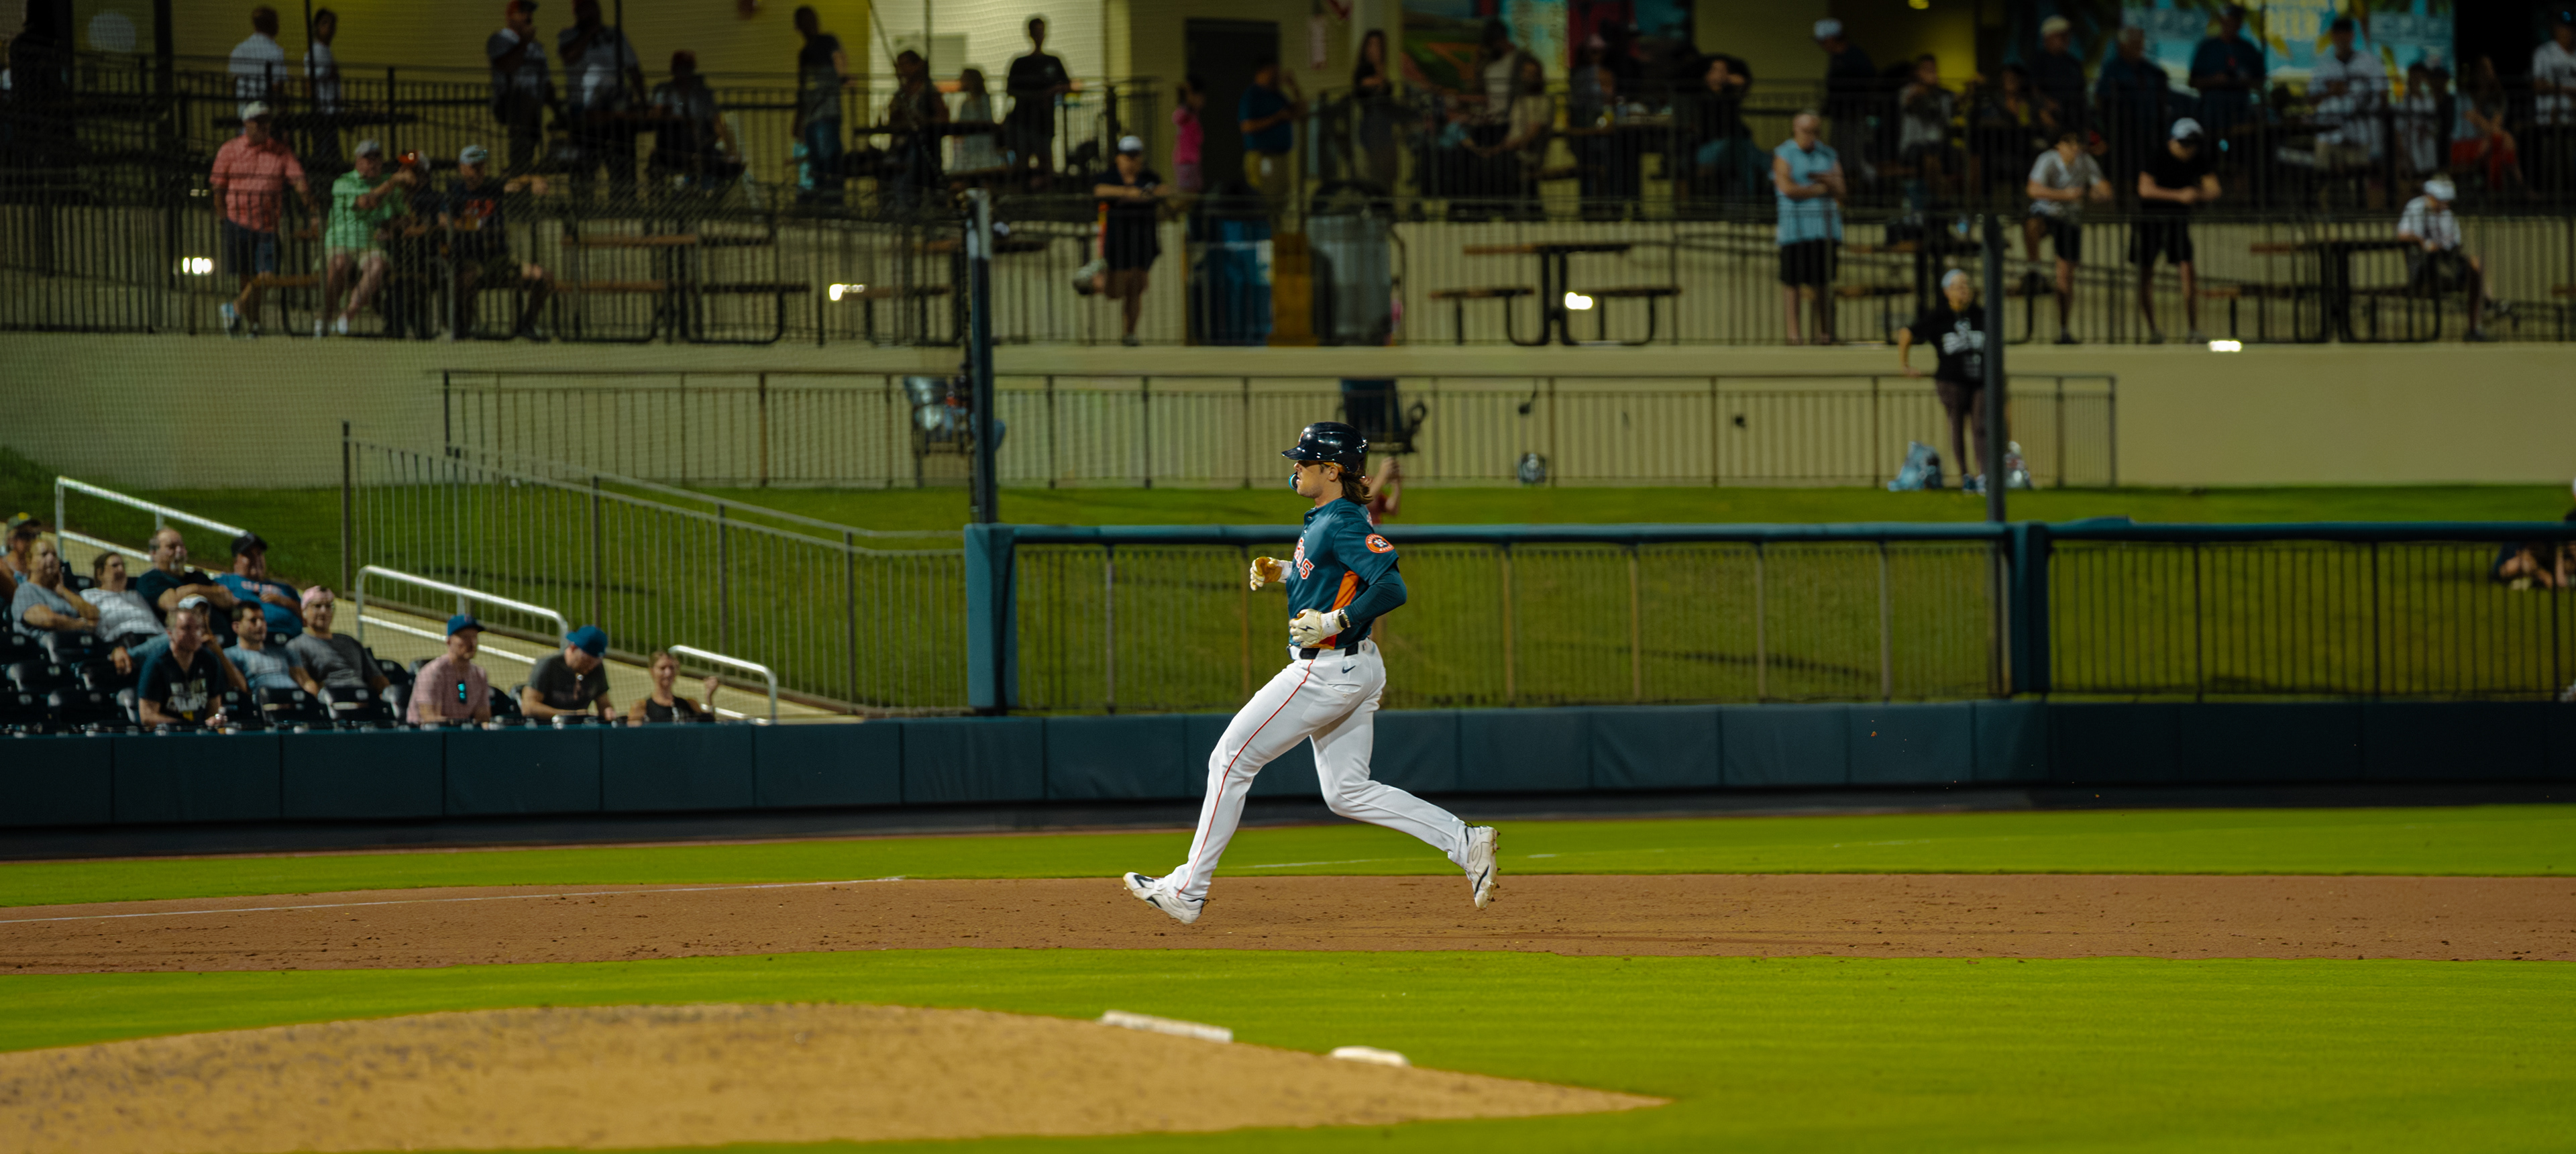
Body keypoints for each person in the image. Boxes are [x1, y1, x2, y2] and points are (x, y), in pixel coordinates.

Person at [1120, 422, 1499, 925]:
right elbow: (1331, 575)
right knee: (1346, 791)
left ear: (1333, 470)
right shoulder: (1330, 517)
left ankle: (1189, 889)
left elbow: (1392, 588)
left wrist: (1337, 620)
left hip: (1327, 669)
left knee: (1230, 760)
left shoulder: (1343, 519)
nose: (1295, 466)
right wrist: (1282, 569)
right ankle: (1464, 841)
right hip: (1354, 666)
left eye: (1305, 460)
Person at [209, 102, 311, 339]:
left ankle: (234, 308)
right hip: (237, 220)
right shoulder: (230, 150)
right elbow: (218, 187)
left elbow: (298, 178)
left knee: (266, 276)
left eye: (267, 121)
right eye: (258, 121)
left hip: (267, 224)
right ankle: (253, 325)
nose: (264, 126)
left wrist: (307, 198)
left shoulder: (280, 151)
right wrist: (223, 217)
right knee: (246, 277)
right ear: (247, 124)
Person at [1897, 270, 1996, 491]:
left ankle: (1984, 476)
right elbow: (1906, 334)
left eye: (1966, 285)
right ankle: (1965, 475)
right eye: (1958, 286)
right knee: (1957, 425)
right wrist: (1905, 365)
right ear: (1946, 291)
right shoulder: (1939, 317)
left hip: (1979, 380)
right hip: (1951, 381)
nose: (1964, 290)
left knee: (1981, 427)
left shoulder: (1981, 315)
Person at [443, 144, 554, 339]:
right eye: (473, 166)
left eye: (481, 166)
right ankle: (462, 328)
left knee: (544, 278)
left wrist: (535, 180)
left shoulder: (493, 187)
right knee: (466, 278)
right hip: (469, 259)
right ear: (462, 167)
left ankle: (527, 324)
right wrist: (468, 225)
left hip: (498, 259)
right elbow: (444, 220)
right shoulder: (454, 192)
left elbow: (517, 183)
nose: (478, 170)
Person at [1073, 136, 1167, 346]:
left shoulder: (1149, 176)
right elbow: (1099, 190)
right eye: (1128, 156)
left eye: (1136, 156)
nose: (1132, 161)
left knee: (1138, 286)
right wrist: (1129, 193)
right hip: (1118, 239)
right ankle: (1093, 284)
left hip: (1143, 239)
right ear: (1119, 158)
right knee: (1116, 290)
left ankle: (1129, 333)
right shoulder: (1110, 176)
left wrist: (1144, 193)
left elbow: (1164, 190)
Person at [317, 139, 417, 337]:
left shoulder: (389, 183)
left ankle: (348, 314)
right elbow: (366, 202)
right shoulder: (343, 182)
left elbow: (405, 218)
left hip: (371, 245)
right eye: (367, 158)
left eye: (376, 158)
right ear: (357, 161)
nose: (372, 163)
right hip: (342, 243)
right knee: (339, 264)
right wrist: (393, 183)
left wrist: (391, 225)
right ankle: (324, 319)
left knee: (377, 265)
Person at [2134, 118, 2218, 344]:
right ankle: (2152, 329)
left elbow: (2214, 189)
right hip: (2150, 220)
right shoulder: (2158, 155)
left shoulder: (2198, 158)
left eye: (2191, 145)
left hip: (2178, 222)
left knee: (2187, 269)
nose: (2187, 150)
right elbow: (2145, 189)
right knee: (2146, 271)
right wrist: (2179, 195)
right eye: (2183, 144)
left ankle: (2193, 329)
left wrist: (2196, 195)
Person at [2025, 132, 2111, 343]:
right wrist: (2066, 196)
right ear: (2059, 146)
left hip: (2070, 220)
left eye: (2077, 146)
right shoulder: (2047, 160)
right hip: (2046, 214)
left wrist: (2098, 194)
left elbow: (2105, 190)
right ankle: (2034, 269)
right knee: (2031, 225)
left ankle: (2064, 329)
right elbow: (2033, 190)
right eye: (2070, 146)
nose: (2075, 151)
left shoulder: (2085, 161)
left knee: (2065, 275)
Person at [556, 0, 644, 203]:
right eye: (585, 13)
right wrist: (588, 34)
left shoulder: (615, 35)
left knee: (622, 159)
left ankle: (624, 204)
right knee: (585, 162)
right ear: (577, 14)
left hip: (617, 109)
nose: (592, 17)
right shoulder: (568, 36)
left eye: (594, 12)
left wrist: (643, 100)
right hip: (585, 110)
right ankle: (583, 208)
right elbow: (569, 57)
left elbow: (633, 69)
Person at [1772, 110, 1845, 346]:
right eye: (1805, 131)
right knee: (1792, 282)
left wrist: (1829, 183)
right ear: (1795, 129)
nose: (1810, 136)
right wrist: (1820, 189)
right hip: (1795, 229)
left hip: (1824, 229)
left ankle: (1824, 333)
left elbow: (1842, 190)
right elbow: (1786, 187)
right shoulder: (1784, 154)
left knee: (1822, 282)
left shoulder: (1828, 154)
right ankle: (1794, 335)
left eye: (1815, 131)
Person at [2396, 178, 2496, 341]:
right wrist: (2424, 242)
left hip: (2445, 261)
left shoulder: (2447, 215)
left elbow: (2453, 243)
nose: (2444, 206)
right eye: (2441, 201)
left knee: (2476, 264)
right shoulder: (2416, 207)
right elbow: (2403, 235)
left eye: (2446, 202)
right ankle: (2487, 302)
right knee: (2466, 264)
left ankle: (2476, 324)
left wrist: (2448, 247)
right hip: (2424, 266)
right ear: (2430, 197)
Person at [2309, 17, 2386, 194]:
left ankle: (2361, 216)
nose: (2342, 38)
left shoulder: (2369, 62)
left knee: (2360, 183)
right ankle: (2324, 217)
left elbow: (2383, 96)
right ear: (2333, 37)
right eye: (2338, 34)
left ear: (2352, 36)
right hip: (2329, 133)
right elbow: (2310, 99)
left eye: (2346, 34)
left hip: (2361, 132)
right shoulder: (2324, 65)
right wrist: (2331, 92)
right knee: (2323, 181)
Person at [647, 50, 741, 191]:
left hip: (702, 147)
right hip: (672, 149)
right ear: (674, 70)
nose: (684, 73)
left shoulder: (703, 94)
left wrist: (730, 149)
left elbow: (717, 123)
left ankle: (711, 200)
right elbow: (655, 115)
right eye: (681, 68)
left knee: (731, 166)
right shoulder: (664, 91)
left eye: (688, 68)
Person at [2094, 26, 2167, 204]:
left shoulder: (2149, 70)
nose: (2138, 46)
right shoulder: (2113, 68)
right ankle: (2123, 203)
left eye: (2140, 42)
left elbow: (2161, 83)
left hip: (2148, 128)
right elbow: (2102, 97)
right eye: (2133, 42)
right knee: (2123, 166)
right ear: (2123, 45)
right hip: (2122, 130)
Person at [136, 527, 240, 644]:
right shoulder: (150, 579)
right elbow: (172, 603)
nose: (179, 551)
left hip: (230, 643)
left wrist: (195, 589)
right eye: (172, 547)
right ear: (154, 553)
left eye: (182, 546)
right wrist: (196, 589)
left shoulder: (198, 577)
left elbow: (227, 598)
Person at [2188, 4, 2263, 162]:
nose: (2232, 25)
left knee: (2241, 157)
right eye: (2228, 21)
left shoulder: (2247, 49)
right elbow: (2193, 81)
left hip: (2240, 113)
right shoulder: (2207, 47)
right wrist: (2214, 80)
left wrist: (2245, 80)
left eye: (2236, 22)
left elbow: (2260, 81)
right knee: (2209, 157)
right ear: (2222, 22)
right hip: (2212, 114)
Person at [284, 586, 391, 694]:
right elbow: (306, 683)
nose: (323, 611)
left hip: (362, 697)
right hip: (332, 700)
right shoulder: (296, 645)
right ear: (304, 611)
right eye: (317, 606)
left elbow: (377, 678)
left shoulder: (350, 642)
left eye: (328, 606)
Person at [791, 5, 848, 205]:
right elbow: (803, 89)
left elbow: (839, 62)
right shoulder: (805, 53)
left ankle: (832, 202)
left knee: (828, 159)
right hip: (813, 116)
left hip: (825, 113)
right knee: (818, 161)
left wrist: (842, 77)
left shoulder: (827, 42)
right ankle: (824, 201)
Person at [1005, 17, 1071, 189]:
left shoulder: (1053, 61)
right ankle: (1021, 196)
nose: (1040, 35)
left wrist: (1051, 92)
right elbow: (1010, 89)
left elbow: (1066, 85)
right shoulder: (1020, 63)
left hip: (1044, 122)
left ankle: (1047, 197)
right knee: (1022, 162)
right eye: (1036, 31)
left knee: (1045, 161)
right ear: (1030, 34)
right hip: (1022, 121)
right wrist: (1034, 97)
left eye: (1042, 31)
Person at [488, 0, 553, 174]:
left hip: (531, 109)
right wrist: (524, 42)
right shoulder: (500, 39)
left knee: (527, 153)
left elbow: (545, 80)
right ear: (510, 15)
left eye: (530, 11)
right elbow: (507, 65)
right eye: (522, 11)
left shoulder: (536, 47)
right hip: (509, 103)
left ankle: (524, 167)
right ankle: (518, 165)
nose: (528, 16)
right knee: (520, 144)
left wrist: (558, 110)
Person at [137, 605, 229, 728]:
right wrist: (187, 727)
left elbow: (214, 708)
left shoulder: (210, 661)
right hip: (167, 738)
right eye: (186, 628)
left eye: (199, 627)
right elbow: (148, 717)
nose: (195, 633)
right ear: (170, 633)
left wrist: (215, 720)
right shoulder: (156, 664)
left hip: (202, 737)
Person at [881, 48, 950, 213]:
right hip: (901, 146)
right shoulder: (901, 94)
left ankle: (910, 208)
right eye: (899, 66)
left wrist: (923, 120)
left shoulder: (929, 91)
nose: (901, 70)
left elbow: (943, 118)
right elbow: (894, 121)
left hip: (923, 147)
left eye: (905, 65)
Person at [1239, 56, 1303, 217]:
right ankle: (1264, 236)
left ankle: (1276, 235)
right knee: (1264, 199)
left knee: (1281, 199)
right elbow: (1247, 126)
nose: (1276, 76)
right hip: (1262, 157)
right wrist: (1276, 118)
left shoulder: (1279, 96)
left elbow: (1300, 112)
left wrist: (1293, 86)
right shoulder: (1252, 95)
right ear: (1262, 72)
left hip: (1281, 157)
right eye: (1272, 72)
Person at [1815, 19, 1879, 176]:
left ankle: (1855, 187)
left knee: (1853, 155)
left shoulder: (1855, 56)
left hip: (1854, 115)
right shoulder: (1836, 58)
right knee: (1838, 153)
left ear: (1831, 39)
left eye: (1822, 41)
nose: (1821, 46)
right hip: (1840, 115)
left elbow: (1871, 80)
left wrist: (1862, 104)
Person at [81, 552, 162, 674]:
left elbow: (155, 623)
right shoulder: (89, 596)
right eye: (115, 566)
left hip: (157, 640)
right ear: (100, 574)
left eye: (123, 566)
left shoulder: (135, 595)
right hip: (128, 645)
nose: (121, 570)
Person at [2451, 56, 2522, 195]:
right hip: (2466, 145)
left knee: (2497, 141)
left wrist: (2478, 120)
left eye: (2489, 69)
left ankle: (2499, 191)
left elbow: (2494, 126)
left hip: (2485, 142)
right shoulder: (2465, 97)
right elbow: (2472, 124)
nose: (2486, 73)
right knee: (2503, 139)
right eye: (2482, 69)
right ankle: (2516, 185)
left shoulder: (2498, 97)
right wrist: (2485, 127)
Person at [215, 532, 303, 642]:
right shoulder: (226, 581)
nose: (256, 559)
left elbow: (308, 618)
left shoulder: (285, 589)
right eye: (249, 555)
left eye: (259, 554)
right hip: (252, 643)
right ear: (235, 562)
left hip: (293, 644)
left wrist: (285, 601)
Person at [407, 614, 493, 726]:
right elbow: (429, 718)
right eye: (465, 637)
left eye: (474, 637)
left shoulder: (480, 674)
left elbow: (483, 718)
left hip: (461, 737)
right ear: (449, 642)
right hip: (422, 737)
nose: (472, 643)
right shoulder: (432, 673)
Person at [1895, 54, 1955, 207]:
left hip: (1937, 146)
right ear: (1918, 73)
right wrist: (1926, 87)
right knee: (1929, 151)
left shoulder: (1941, 95)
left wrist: (1970, 90)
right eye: (1927, 70)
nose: (1932, 73)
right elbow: (1910, 100)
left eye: (1933, 70)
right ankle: (1932, 202)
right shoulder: (1907, 91)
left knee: (1948, 152)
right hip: (1912, 147)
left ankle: (1942, 205)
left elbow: (1956, 103)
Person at [10, 537, 97, 641]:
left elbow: (94, 615)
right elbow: (49, 620)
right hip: (44, 651)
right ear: (29, 562)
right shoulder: (25, 591)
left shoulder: (66, 592)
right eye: (44, 554)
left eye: (54, 555)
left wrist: (63, 591)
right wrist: (81, 624)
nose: (51, 559)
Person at [523, 624, 613, 720]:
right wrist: (569, 716)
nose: (591, 667)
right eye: (587, 661)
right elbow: (528, 707)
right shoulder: (548, 665)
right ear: (573, 648)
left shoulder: (596, 669)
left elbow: (604, 703)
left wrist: (608, 712)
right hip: (546, 728)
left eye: (596, 663)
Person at [225, 602, 319, 694]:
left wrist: (311, 697)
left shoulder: (284, 651)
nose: (260, 624)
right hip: (263, 703)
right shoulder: (230, 655)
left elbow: (305, 681)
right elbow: (241, 689)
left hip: (295, 701)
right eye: (253, 620)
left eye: (262, 619)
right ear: (236, 627)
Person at [2534, 11, 2576, 195]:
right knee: (2547, 162)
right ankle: (2547, 202)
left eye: (2570, 28)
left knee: (2570, 163)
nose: (2567, 32)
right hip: (2548, 116)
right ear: (2556, 30)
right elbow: (2538, 84)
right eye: (2563, 28)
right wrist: (2565, 90)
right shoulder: (2544, 52)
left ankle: (2567, 203)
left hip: (2571, 118)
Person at [1352, 30, 1399, 191]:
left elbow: (1386, 89)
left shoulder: (1382, 70)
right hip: (1371, 127)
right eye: (1371, 45)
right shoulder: (1363, 70)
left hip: (1385, 128)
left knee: (1388, 172)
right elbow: (1371, 84)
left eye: (1378, 45)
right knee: (1373, 172)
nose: (1374, 49)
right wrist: (1379, 72)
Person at [2033, 16, 2088, 143]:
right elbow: (2034, 89)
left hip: (2075, 122)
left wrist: (2085, 125)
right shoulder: (2039, 62)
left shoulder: (2074, 63)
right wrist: (2045, 107)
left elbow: (2082, 93)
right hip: (2052, 123)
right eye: (2060, 36)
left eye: (2067, 36)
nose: (2065, 40)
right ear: (2047, 38)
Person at [302, 7, 344, 170]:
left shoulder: (326, 51)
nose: (330, 28)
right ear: (316, 27)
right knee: (324, 152)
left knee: (330, 150)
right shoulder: (315, 52)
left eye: (332, 24)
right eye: (325, 23)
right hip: (323, 110)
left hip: (331, 110)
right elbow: (309, 79)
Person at [628, 649, 720, 723]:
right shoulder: (641, 708)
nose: (668, 673)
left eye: (672, 668)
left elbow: (709, 727)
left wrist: (709, 696)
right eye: (662, 668)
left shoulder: (690, 704)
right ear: (652, 671)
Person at [229, 6, 287, 101]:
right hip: (265, 106)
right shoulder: (276, 51)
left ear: (255, 25)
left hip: (245, 106)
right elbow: (277, 85)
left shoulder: (240, 48)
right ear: (272, 25)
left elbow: (235, 80)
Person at [955, 68, 1004, 174]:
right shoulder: (965, 103)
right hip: (969, 147)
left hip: (983, 146)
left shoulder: (984, 100)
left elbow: (986, 120)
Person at [1168, 75, 1205, 195]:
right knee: (1187, 195)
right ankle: (1170, 212)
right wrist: (1188, 92)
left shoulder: (1194, 115)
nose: (1203, 100)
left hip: (1193, 161)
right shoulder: (1184, 113)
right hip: (1185, 162)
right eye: (1200, 97)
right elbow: (1177, 117)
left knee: (1195, 193)